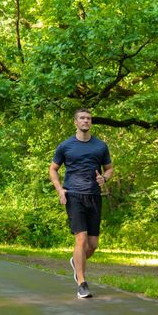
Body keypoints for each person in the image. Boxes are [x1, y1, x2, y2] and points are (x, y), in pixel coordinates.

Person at [49, 108, 114, 298]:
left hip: (94, 196)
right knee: (81, 238)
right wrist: (60, 189)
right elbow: (53, 169)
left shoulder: (100, 146)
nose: (86, 121)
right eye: (82, 118)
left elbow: (109, 169)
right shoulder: (65, 146)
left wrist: (104, 178)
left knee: (93, 244)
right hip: (74, 195)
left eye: (89, 118)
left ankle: (76, 262)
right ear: (75, 122)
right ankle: (82, 282)